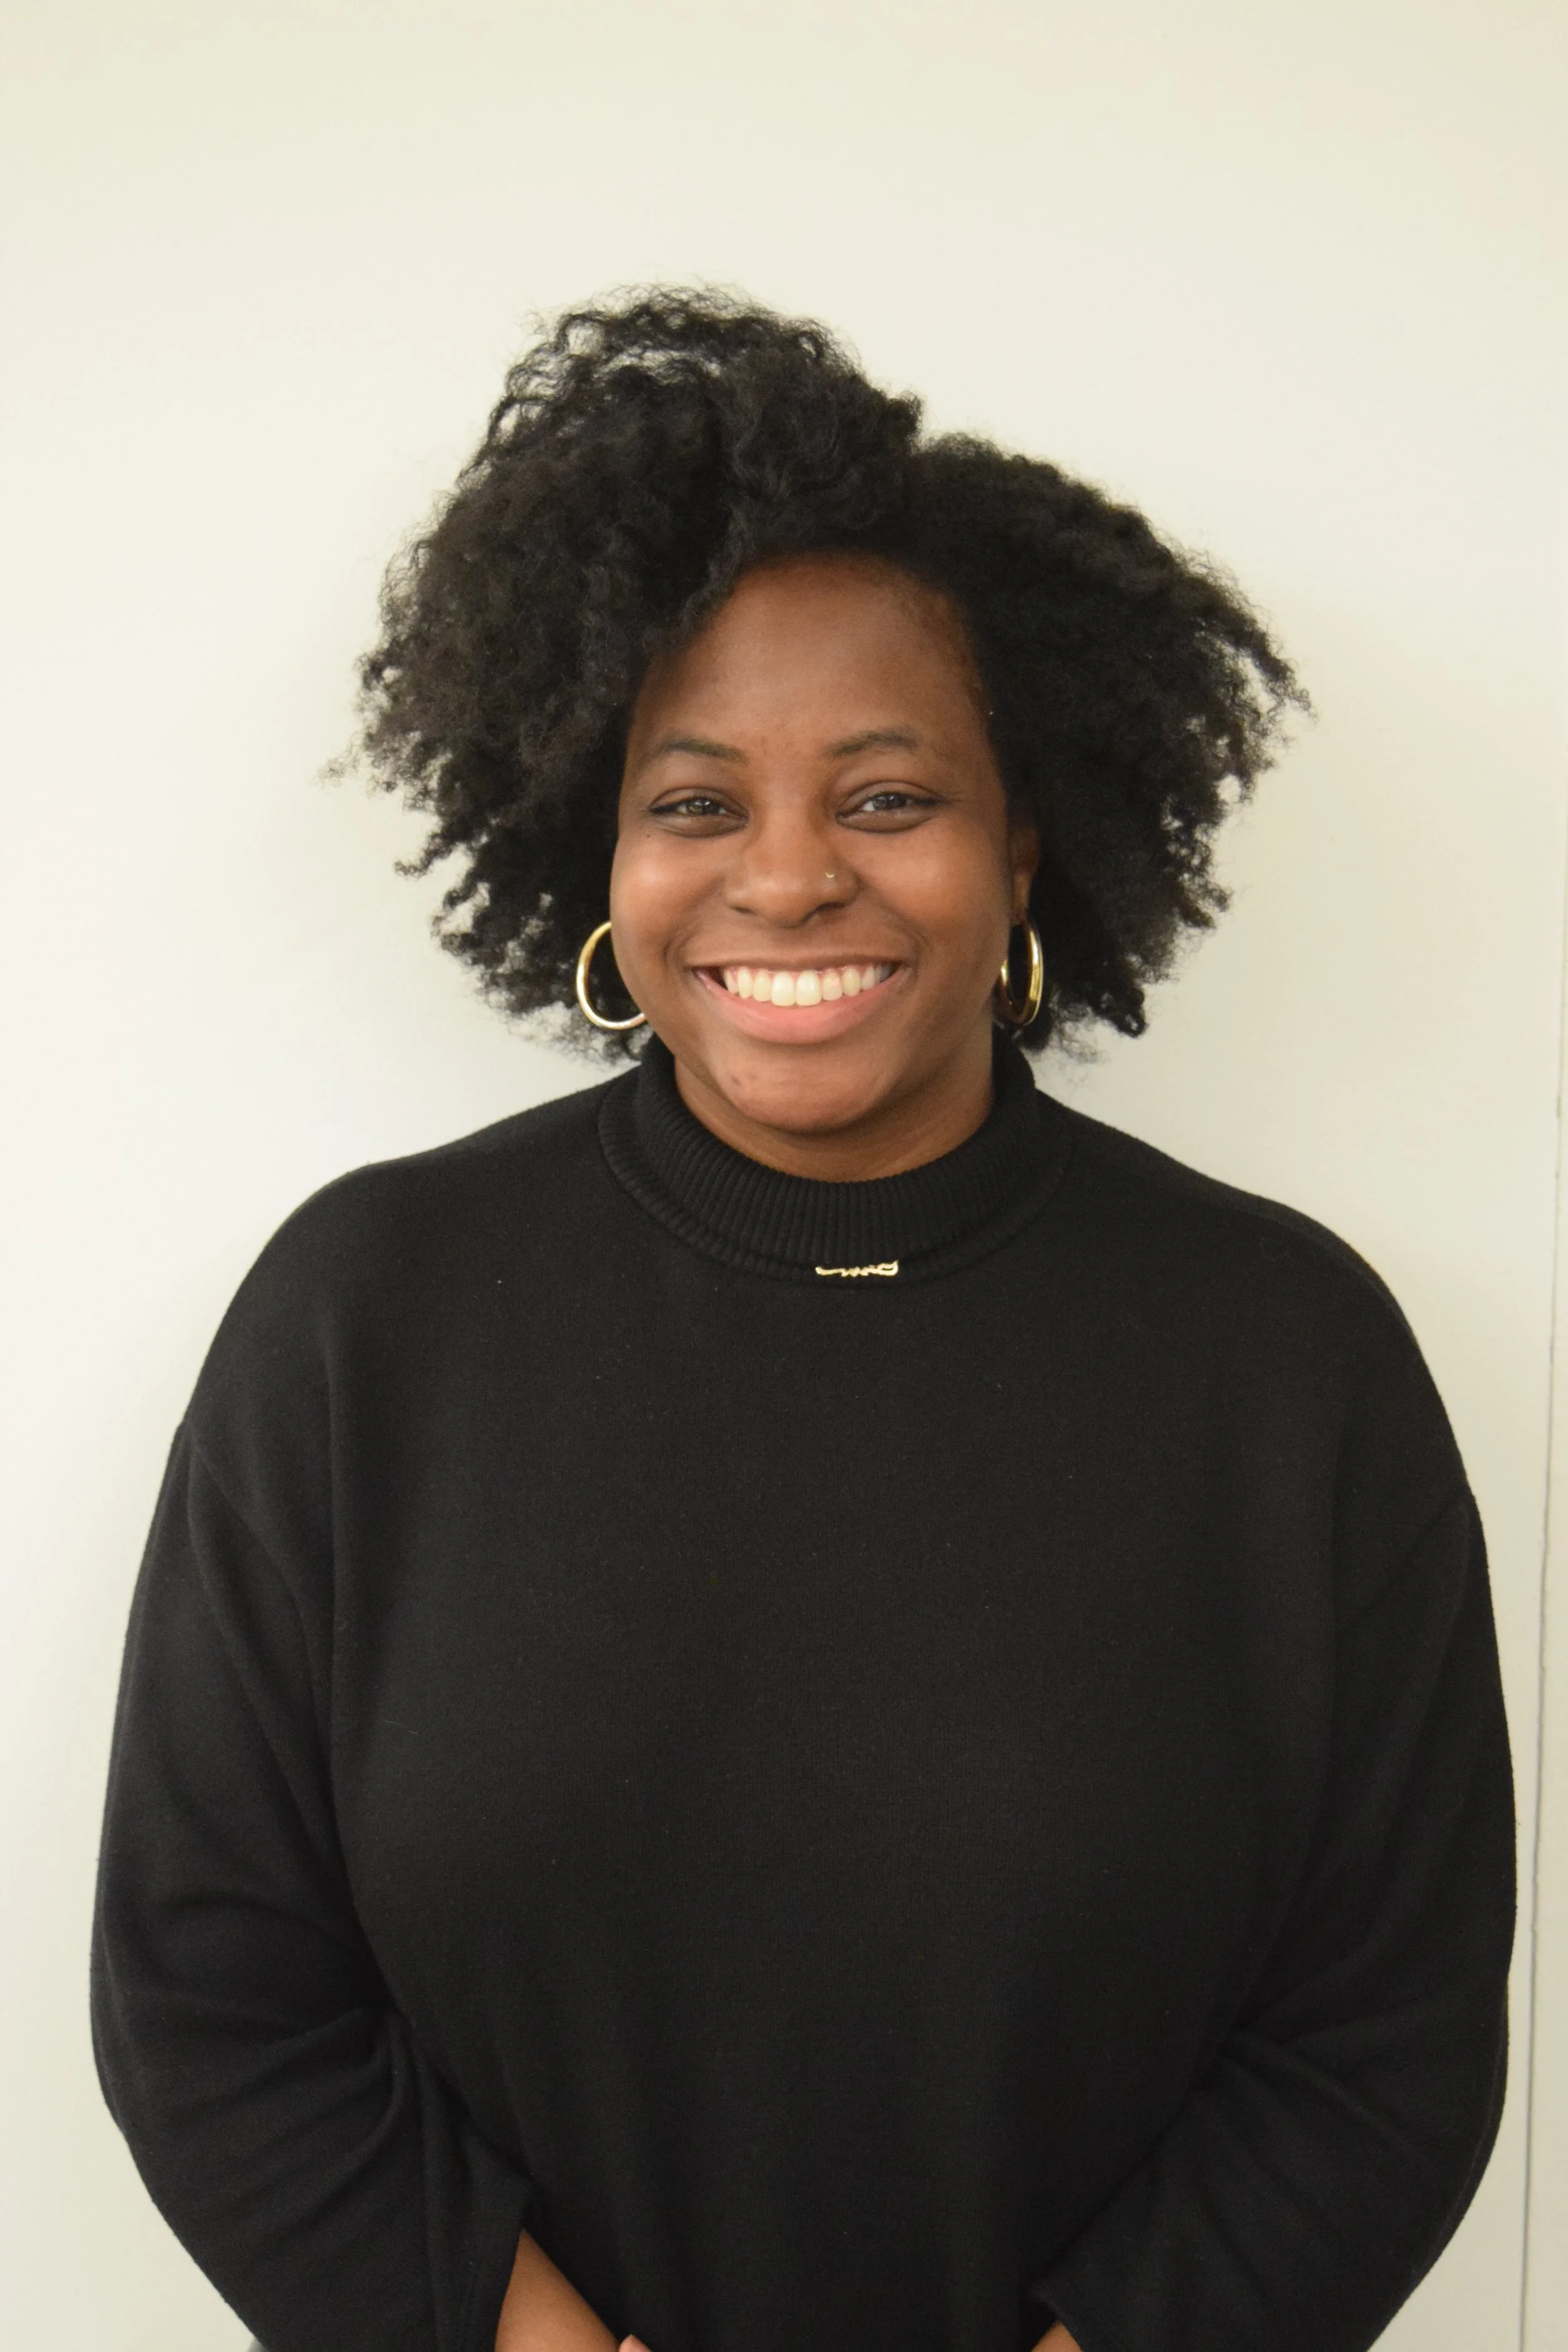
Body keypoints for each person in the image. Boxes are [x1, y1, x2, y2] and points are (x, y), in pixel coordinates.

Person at [91, 289, 1515, 2352]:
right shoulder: (361, 1325)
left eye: (883, 798)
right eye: (693, 803)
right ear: (595, 846)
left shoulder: (1285, 1362)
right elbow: (212, 1994)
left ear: (1023, 847)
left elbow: (1377, 2044)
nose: (783, 879)